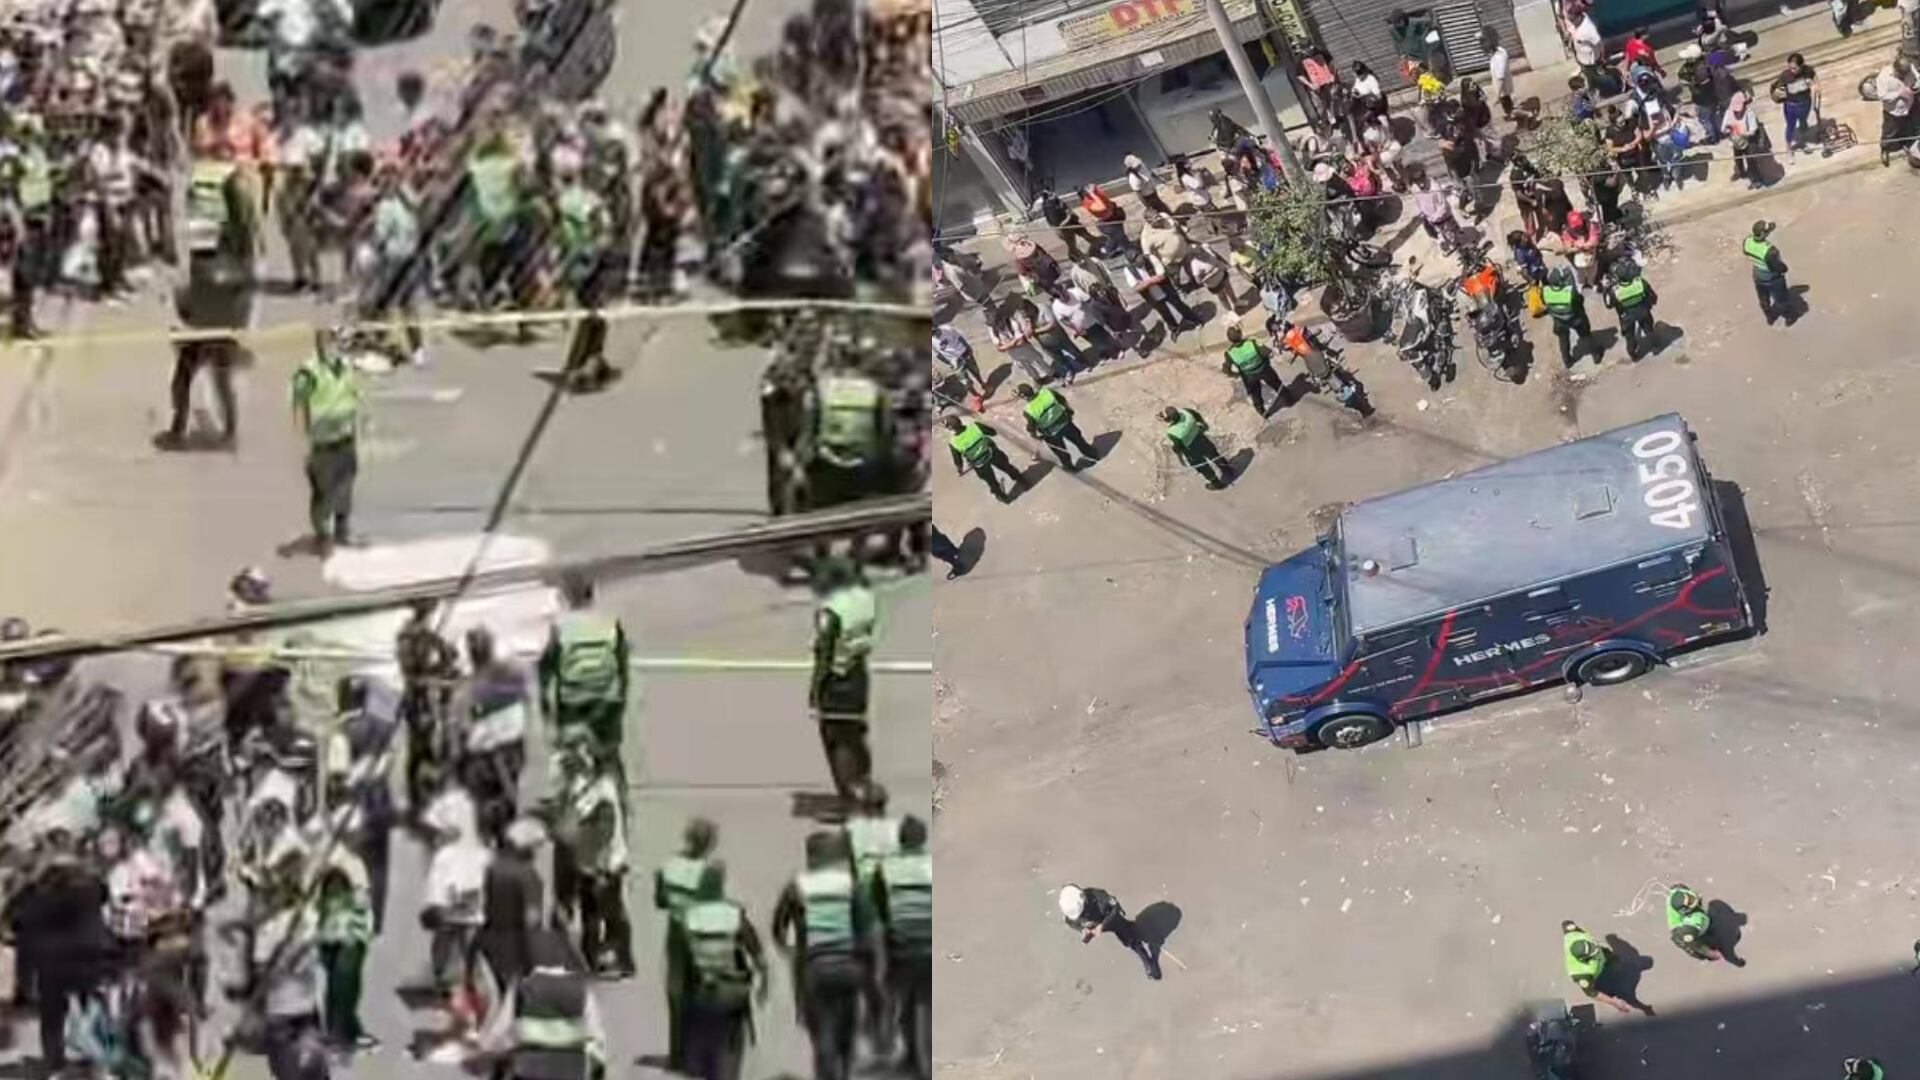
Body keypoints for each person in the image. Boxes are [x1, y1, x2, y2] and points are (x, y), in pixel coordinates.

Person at [773, 831, 873, 1080]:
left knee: (822, 1035)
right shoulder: (851, 884)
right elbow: (867, 929)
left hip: (814, 968)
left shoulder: (796, 887)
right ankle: (845, 1071)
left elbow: (779, 927)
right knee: (847, 1031)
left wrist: (790, 950)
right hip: (848, 967)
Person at [674, 862, 769, 1080]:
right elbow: (757, 953)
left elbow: (682, 966)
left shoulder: (688, 917)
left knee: (704, 1056)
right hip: (732, 993)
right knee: (730, 1053)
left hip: (701, 995)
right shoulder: (733, 914)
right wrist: (764, 982)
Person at [552, 735, 632, 978]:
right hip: (587, 862)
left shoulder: (602, 792)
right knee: (597, 912)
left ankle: (616, 959)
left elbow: (604, 833)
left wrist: (600, 867)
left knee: (605, 912)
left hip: (603, 864)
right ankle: (594, 956)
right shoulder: (584, 786)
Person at [539, 571, 630, 770]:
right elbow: (623, 666)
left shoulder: (560, 627)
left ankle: (569, 791)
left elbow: (545, 671)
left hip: (574, 701)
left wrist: (547, 713)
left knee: (569, 753)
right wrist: (620, 698)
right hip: (607, 699)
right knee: (609, 751)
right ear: (592, 595)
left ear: (566, 598)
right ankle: (618, 790)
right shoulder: (610, 623)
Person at [489, 928, 608, 1080]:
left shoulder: (523, 987)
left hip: (529, 1069)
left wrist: (498, 1057)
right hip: (572, 1071)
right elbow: (595, 1036)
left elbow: (500, 1035)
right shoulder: (581, 990)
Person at [810, 555, 878, 801]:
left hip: (837, 680)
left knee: (836, 739)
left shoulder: (830, 612)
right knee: (856, 733)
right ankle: (864, 780)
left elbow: (824, 657)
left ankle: (848, 794)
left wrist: (815, 691)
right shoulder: (865, 598)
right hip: (859, 671)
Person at [290, 325, 364, 550]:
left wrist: (362, 420)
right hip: (322, 442)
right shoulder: (308, 371)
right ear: (319, 343)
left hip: (345, 437)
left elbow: (353, 394)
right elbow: (298, 405)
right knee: (324, 491)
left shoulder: (346, 367)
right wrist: (302, 441)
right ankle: (322, 532)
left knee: (346, 485)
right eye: (329, 340)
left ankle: (342, 531)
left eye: (336, 340)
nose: (334, 345)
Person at [656, 817, 720, 1071]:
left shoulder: (668, 866)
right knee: (702, 992)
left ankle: (677, 1054)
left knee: (676, 992)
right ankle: (699, 1054)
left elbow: (660, 901)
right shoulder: (710, 872)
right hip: (701, 932)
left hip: (675, 931)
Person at [455, 626, 532, 833]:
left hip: (485, 756)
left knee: (483, 798)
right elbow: (526, 697)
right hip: (512, 749)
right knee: (509, 795)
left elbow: (462, 728)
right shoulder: (512, 672)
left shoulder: (468, 689)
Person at [875, 816, 932, 1080]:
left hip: (902, 950)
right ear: (923, 839)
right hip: (929, 946)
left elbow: (877, 911)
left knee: (904, 1004)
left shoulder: (886, 869)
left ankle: (911, 1057)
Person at [397, 599, 458, 818]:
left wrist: (444, 652)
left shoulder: (425, 636)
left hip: (425, 700)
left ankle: (425, 794)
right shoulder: (409, 638)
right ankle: (420, 797)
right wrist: (435, 678)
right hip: (418, 701)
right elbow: (413, 675)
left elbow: (446, 656)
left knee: (426, 747)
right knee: (420, 748)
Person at [477, 818, 546, 1000]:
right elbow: (531, 921)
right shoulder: (528, 876)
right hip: (515, 949)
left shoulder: (493, 868)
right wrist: (534, 961)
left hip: (491, 942)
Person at [315, 847, 376, 1051]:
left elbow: (362, 900)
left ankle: (341, 1032)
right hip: (332, 934)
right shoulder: (318, 859)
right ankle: (340, 1031)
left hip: (349, 934)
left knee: (344, 982)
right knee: (338, 983)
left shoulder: (352, 863)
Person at [1059, 883, 1158, 980]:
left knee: (1128, 938)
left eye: (1083, 913)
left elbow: (1115, 909)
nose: (1082, 916)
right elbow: (1071, 923)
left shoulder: (1099, 897)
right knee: (1126, 933)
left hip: (1110, 919)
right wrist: (1083, 930)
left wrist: (1102, 926)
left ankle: (1147, 960)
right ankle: (1129, 928)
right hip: (1094, 925)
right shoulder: (1071, 912)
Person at [1121, 246, 1202, 342]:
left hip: (1165, 288)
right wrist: (1151, 280)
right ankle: (1174, 328)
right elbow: (1136, 288)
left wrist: (1144, 283)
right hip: (1151, 295)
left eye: (1140, 256)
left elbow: (1161, 276)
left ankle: (1194, 320)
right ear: (1133, 263)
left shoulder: (1151, 258)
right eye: (1137, 260)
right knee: (1164, 313)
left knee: (1179, 304)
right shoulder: (1128, 270)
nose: (1140, 260)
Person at [1561, 920, 1640, 1016]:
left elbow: (1566, 923)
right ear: (1585, 959)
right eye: (1592, 953)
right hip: (1596, 973)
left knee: (1612, 960)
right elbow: (1592, 993)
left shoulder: (1572, 934)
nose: (1595, 949)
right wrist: (1615, 1003)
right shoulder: (1581, 975)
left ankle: (1614, 963)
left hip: (1603, 956)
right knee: (1605, 986)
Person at [1015, 382, 1099, 470]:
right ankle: (1092, 455)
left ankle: (1069, 466)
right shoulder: (1047, 393)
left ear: (1024, 396)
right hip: (1065, 422)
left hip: (1051, 433)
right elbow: (1062, 400)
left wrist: (1034, 435)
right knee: (1079, 440)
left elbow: (1032, 426)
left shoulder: (1029, 410)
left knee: (1061, 451)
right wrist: (1069, 411)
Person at [945, 415, 1021, 503]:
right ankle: (1019, 477)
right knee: (1006, 466)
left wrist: (960, 470)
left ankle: (1003, 498)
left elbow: (958, 460)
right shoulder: (975, 426)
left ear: (951, 428)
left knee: (991, 481)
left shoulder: (954, 443)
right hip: (991, 454)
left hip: (979, 464)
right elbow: (993, 432)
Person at [1220, 324, 1286, 417]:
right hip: (1263, 369)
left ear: (1229, 339)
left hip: (1249, 376)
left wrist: (1236, 374)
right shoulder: (1251, 342)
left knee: (1256, 395)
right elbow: (1266, 352)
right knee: (1276, 384)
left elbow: (1226, 370)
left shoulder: (1230, 353)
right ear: (1240, 334)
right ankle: (1287, 397)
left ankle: (1262, 412)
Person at [1161, 406, 1232, 489]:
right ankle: (1227, 469)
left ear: (1170, 420)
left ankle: (1216, 484)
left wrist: (1180, 459)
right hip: (1201, 439)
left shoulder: (1172, 432)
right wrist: (1204, 424)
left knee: (1203, 467)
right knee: (1213, 455)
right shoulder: (1186, 412)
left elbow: (1178, 447)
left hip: (1191, 451)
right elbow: (1197, 415)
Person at [1603, 257, 1659, 361]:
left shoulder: (1616, 291)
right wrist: (1649, 304)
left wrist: (1606, 289)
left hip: (1626, 317)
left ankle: (1634, 355)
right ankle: (1655, 347)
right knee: (1649, 330)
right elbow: (1653, 297)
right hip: (1643, 312)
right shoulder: (1641, 283)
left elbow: (1609, 305)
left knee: (1630, 337)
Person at [986, 298, 1051, 387]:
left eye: (997, 322)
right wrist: (1013, 343)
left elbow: (1021, 341)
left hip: (1025, 348)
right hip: (1014, 354)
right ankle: (1037, 380)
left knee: (1039, 361)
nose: (997, 325)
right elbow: (999, 348)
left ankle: (1051, 375)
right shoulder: (993, 330)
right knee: (1026, 368)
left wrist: (1008, 345)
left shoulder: (1012, 322)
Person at [1541, 266, 1598, 367]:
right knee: (1586, 335)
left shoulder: (1545, 291)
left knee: (1563, 340)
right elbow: (1579, 301)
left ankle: (1567, 361)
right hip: (1575, 318)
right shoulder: (1569, 292)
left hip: (1559, 321)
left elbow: (1545, 303)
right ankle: (1596, 356)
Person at [1745, 219, 1793, 325]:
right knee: (1782, 299)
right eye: (1767, 231)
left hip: (1758, 276)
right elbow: (1776, 267)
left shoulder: (1747, 241)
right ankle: (1788, 317)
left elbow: (1746, 253)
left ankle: (1770, 318)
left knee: (1763, 300)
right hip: (1772, 279)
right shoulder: (1769, 251)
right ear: (1763, 234)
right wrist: (1784, 269)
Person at [1772, 53, 1818, 154]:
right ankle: (1789, 148)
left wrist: (1815, 102)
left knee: (1803, 123)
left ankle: (1804, 142)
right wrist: (1778, 94)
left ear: (1801, 67)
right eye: (1790, 67)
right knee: (1790, 127)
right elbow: (1777, 91)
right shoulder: (1785, 75)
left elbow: (1816, 85)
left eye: (1794, 68)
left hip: (1805, 104)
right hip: (1791, 107)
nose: (1792, 71)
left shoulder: (1808, 72)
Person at [1665, 884, 1723, 961]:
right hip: (1684, 932)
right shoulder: (1688, 928)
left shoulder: (1679, 890)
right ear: (1685, 911)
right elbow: (1697, 946)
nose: (1694, 898)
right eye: (1691, 901)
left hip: (1694, 920)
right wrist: (1711, 954)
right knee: (1693, 946)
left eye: (1690, 898)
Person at [1387, 8, 1445, 83]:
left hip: (1423, 53)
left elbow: (1430, 22)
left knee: (1432, 73)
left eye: (1398, 23)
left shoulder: (1414, 22)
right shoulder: (1392, 29)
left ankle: (1436, 87)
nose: (1396, 26)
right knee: (1417, 77)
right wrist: (1401, 54)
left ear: (1403, 19)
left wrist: (1424, 36)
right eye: (1394, 23)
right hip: (1410, 57)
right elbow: (1396, 42)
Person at [1721, 91, 1766, 189]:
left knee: (1751, 160)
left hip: (1749, 141)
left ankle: (1756, 180)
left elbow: (1753, 129)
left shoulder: (1749, 113)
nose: (1737, 112)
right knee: (1737, 158)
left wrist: (1742, 132)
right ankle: (1740, 172)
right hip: (1736, 141)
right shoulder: (1729, 112)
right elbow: (1723, 128)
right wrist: (1728, 130)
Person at [1033, 188, 1092, 260]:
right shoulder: (1051, 206)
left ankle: (1093, 245)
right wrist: (1070, 216)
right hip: (1064, 228)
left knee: (1083, 234)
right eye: (1051, 194)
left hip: (1068, 223)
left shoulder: (1052, 202)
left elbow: (1065, 207)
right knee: (1073, 244)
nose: (1053, 194)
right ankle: (1076, 256)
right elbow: (1060, 221)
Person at [933, 325, 986, 404]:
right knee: (965, 381)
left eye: (934, 331)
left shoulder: (947, 329)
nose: (934, 334)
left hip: (964, 352)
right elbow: (938, 355)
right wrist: (949, 362)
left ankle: (982, 383)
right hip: (955, 362)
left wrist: (968, 348)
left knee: (975, 370)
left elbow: (959, 337)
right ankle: (976, 395)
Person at [1878, 59, 1914, 167]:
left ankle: (1907, 145)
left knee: (1908, 128)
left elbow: (1916, 76)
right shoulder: (1884, 77)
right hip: (1893, 111)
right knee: (1890, 132)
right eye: (1902, 75)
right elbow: (1882, 96)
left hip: (1908, 107)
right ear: (1896, 70)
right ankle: (1885, 149)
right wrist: (1899, 93)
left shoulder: (1909, 69)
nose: (1904, 77)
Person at [1558, 209, 1603, 286]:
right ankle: (1580, 282)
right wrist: (1576, 245)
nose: (1578, 229)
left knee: (1593, 265)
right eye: (1576, 228)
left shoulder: (1591, 225)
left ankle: (1591, 281)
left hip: (1590, 249)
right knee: (1576, 267)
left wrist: (1585, 246)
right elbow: (1567, 242)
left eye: (1580, 226)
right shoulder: (1566, 230)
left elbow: (1594, 239)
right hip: (1577, 251)